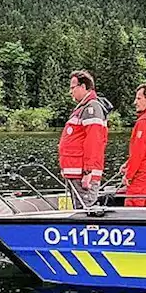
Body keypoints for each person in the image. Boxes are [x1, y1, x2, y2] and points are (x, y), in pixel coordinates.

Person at [58, 70, 111, 208]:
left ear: (83, 87)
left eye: (72, 87)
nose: (71, 92)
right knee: (78, 208)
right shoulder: (82, 108)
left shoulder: (92, 108)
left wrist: (88, 172)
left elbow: (94, 142)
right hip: (75, 172)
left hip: (82, 173)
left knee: (85, 208)